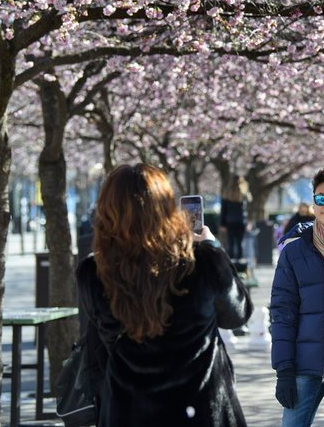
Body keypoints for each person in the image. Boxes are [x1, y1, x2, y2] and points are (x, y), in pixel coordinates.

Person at [77, 163, 253, 426]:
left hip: (128, 409)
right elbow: (237, 315)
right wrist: (213, 247)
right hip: (200, 408)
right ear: (167, 208)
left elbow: (106, 337)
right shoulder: (203, 260)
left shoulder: (93, 272)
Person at [270, 167, 324, 427]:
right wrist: (283, 370)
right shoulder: (294, 251)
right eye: (321, 198)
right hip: (302, 367)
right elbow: (282, 313)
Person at [220, 176, 250, 261]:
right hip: (241, 221)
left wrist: (222, 224)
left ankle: (231, 261)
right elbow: (246, 210)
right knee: (240, 243)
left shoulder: (227, 195)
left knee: (231, 243)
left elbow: (223, 211)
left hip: (230, 221)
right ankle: (240, 262)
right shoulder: (244, 195)